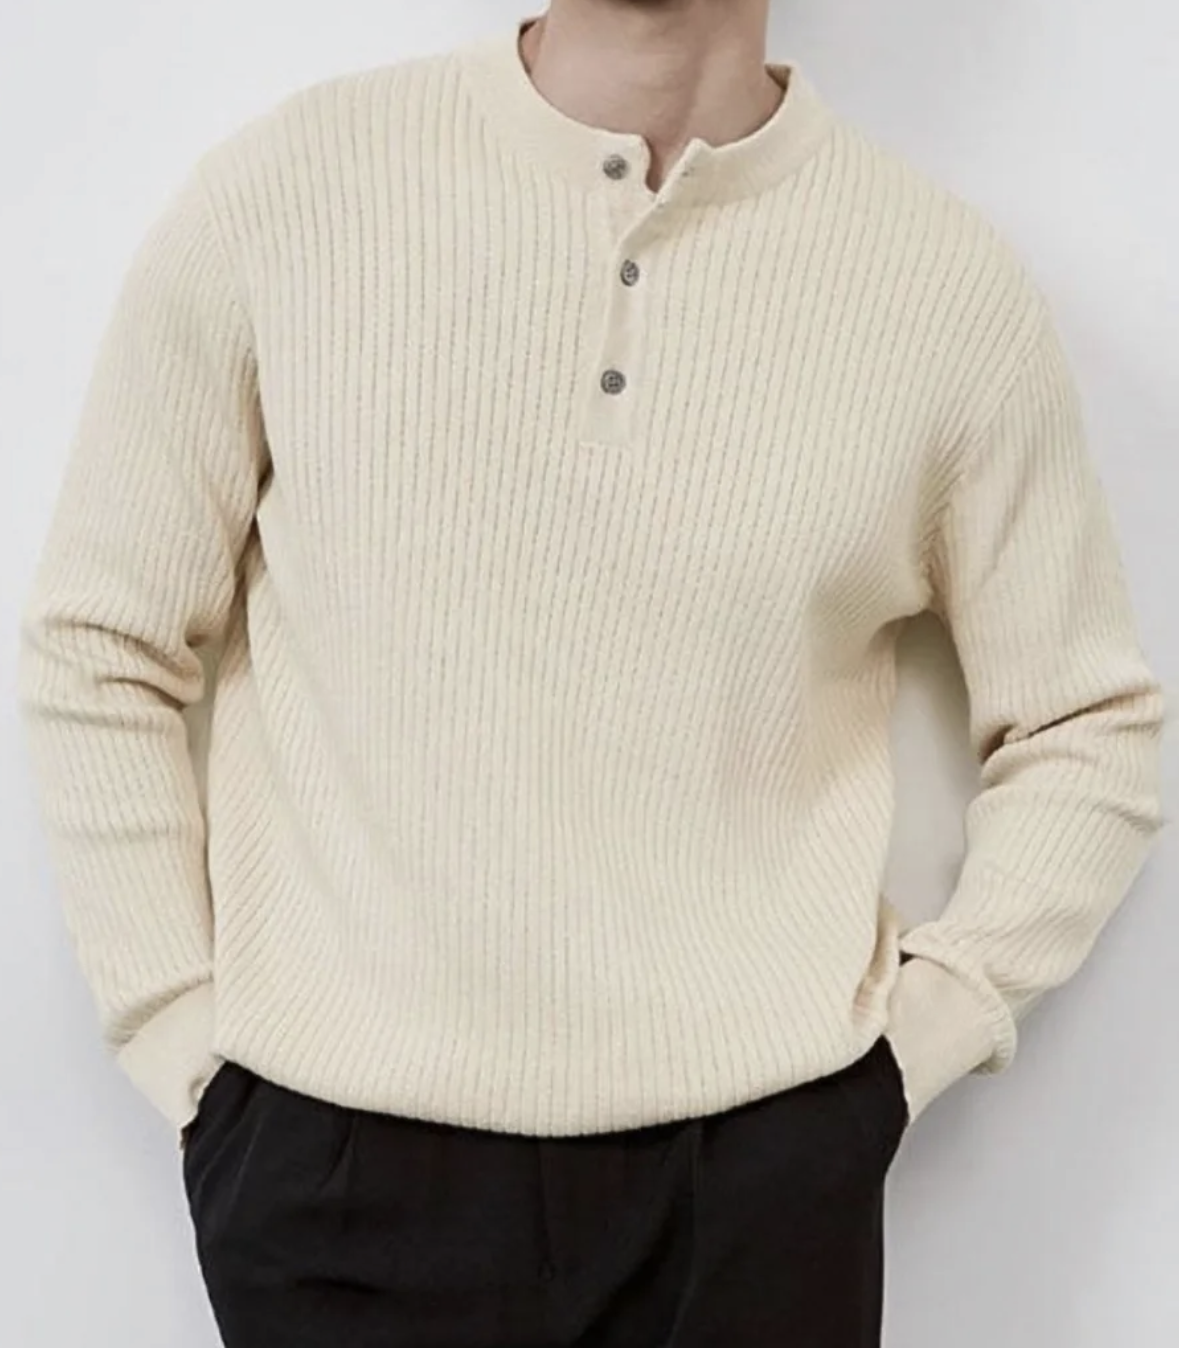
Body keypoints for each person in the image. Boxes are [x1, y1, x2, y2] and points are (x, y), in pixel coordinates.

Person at [16, 2, 1165, 1345]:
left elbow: (1088, 722)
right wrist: (182, 1036)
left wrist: (913, 1049)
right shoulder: (288, 194)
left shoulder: (942, 287)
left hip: (754, 1183)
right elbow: (103, 640)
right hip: (333, 1171)